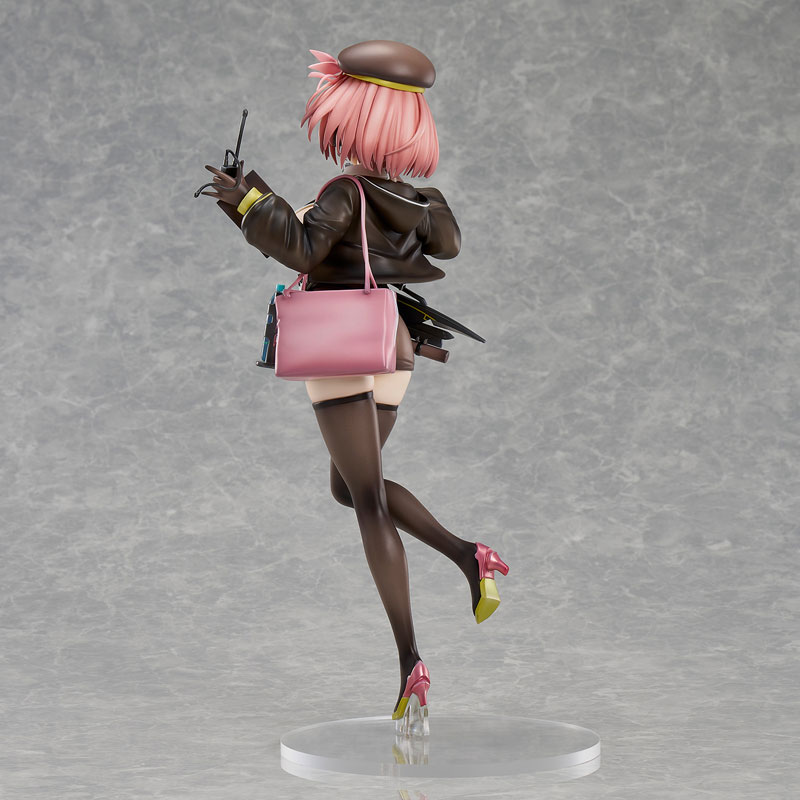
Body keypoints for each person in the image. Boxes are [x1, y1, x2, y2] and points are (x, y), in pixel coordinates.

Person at [200, 40, 509, 735]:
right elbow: (444, 247)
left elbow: (304, 249)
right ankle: (470, 556)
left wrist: (247, 199)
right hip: (392, 343)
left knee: (365, 499)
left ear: (356, 120)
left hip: (343, 343)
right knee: (349, 487)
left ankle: (410, 664)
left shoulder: (346, 191)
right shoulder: (425, 200)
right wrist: (250, 198)